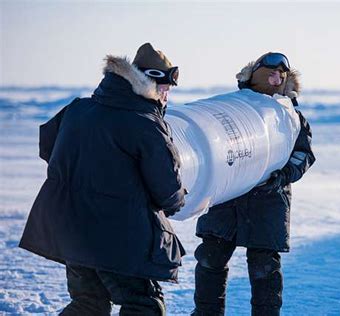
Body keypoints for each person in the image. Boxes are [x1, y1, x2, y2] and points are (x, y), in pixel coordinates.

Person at [19, 43, 187, 316]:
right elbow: (168, 194)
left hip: (71, 230)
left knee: (89, 304)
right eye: (165, 90)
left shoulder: (77, 109)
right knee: (143, 306)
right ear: (149, 85)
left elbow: (48, 146)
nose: (166, 97)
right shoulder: (145, 123)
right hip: (118, 237)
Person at [192, 52, 316, 316]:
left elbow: (303, 155)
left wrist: (282, 176)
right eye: (270, 74)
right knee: (210, 259)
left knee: (264, 268)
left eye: (281, 76)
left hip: (269, 202)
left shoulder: (292, 118)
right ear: (256, 76)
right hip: (227, 197)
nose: (276, 80)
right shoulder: (234, 110)